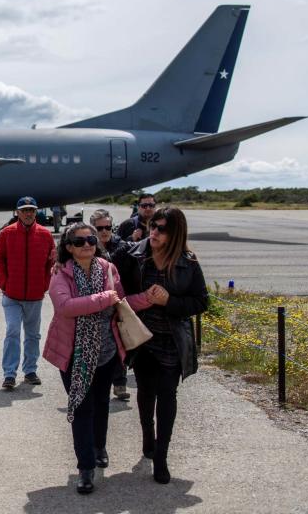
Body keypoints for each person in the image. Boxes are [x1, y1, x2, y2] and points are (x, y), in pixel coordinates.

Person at [43, 222, 151, 494]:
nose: (88, 244)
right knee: (82, 407)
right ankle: (86, 467)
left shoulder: (108, 269)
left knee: (102, 404)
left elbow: (121, 302)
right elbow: (65, 307)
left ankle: (99, 446)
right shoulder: (61, 273)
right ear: (68, 248)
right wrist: (103, 298)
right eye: (79, 241)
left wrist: (149, 298)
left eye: (91, 239)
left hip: (107, 353)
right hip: (75, 355)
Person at [116, 206, 208, 485]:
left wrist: (169, 301)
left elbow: (201, 302)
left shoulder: (188, 263)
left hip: (172, 340)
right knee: (145, 393)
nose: (153, 232)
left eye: (161, 228)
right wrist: (61, 260)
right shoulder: (133, 256)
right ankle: (147, 435)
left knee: (168, 395)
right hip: (141, 339)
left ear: (175, 233)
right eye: (151, 226)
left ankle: (161, 456)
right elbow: (101, 263)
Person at [0, 195, 56, 390]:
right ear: (17, 212)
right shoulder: (7, 233)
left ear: (36, 212)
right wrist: (5, 283)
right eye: (25, 210)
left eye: (32, 210)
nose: (28, 213)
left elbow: (52, 263)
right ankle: (9, 374)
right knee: (12, 331)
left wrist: (45, 284)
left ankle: (30, 370)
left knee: (33, 335)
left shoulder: (45, 235)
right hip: (12, 295)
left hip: (35, 296)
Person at [91, 209, 137, 401]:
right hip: (94, 303)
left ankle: (119, 384)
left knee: (120, 342)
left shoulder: (122, 245)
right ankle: (93, 384)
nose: (104, 231)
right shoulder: (87, 244)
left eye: (107, 227)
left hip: (119, 301)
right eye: (99, 228)